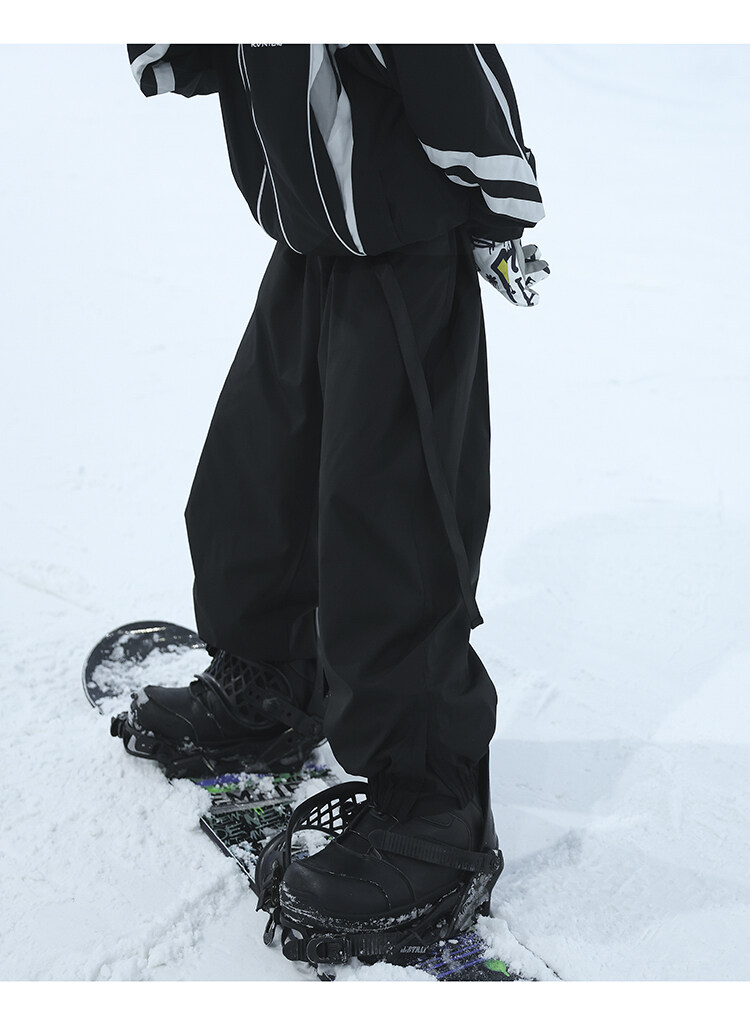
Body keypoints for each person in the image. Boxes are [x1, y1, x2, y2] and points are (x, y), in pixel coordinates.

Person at [122, 43, 548, 953]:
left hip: (404, 249)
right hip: (311, 238)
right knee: (255, 472)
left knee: (389, 523)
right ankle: (269, 677)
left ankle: (436, 806)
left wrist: (496, 195)